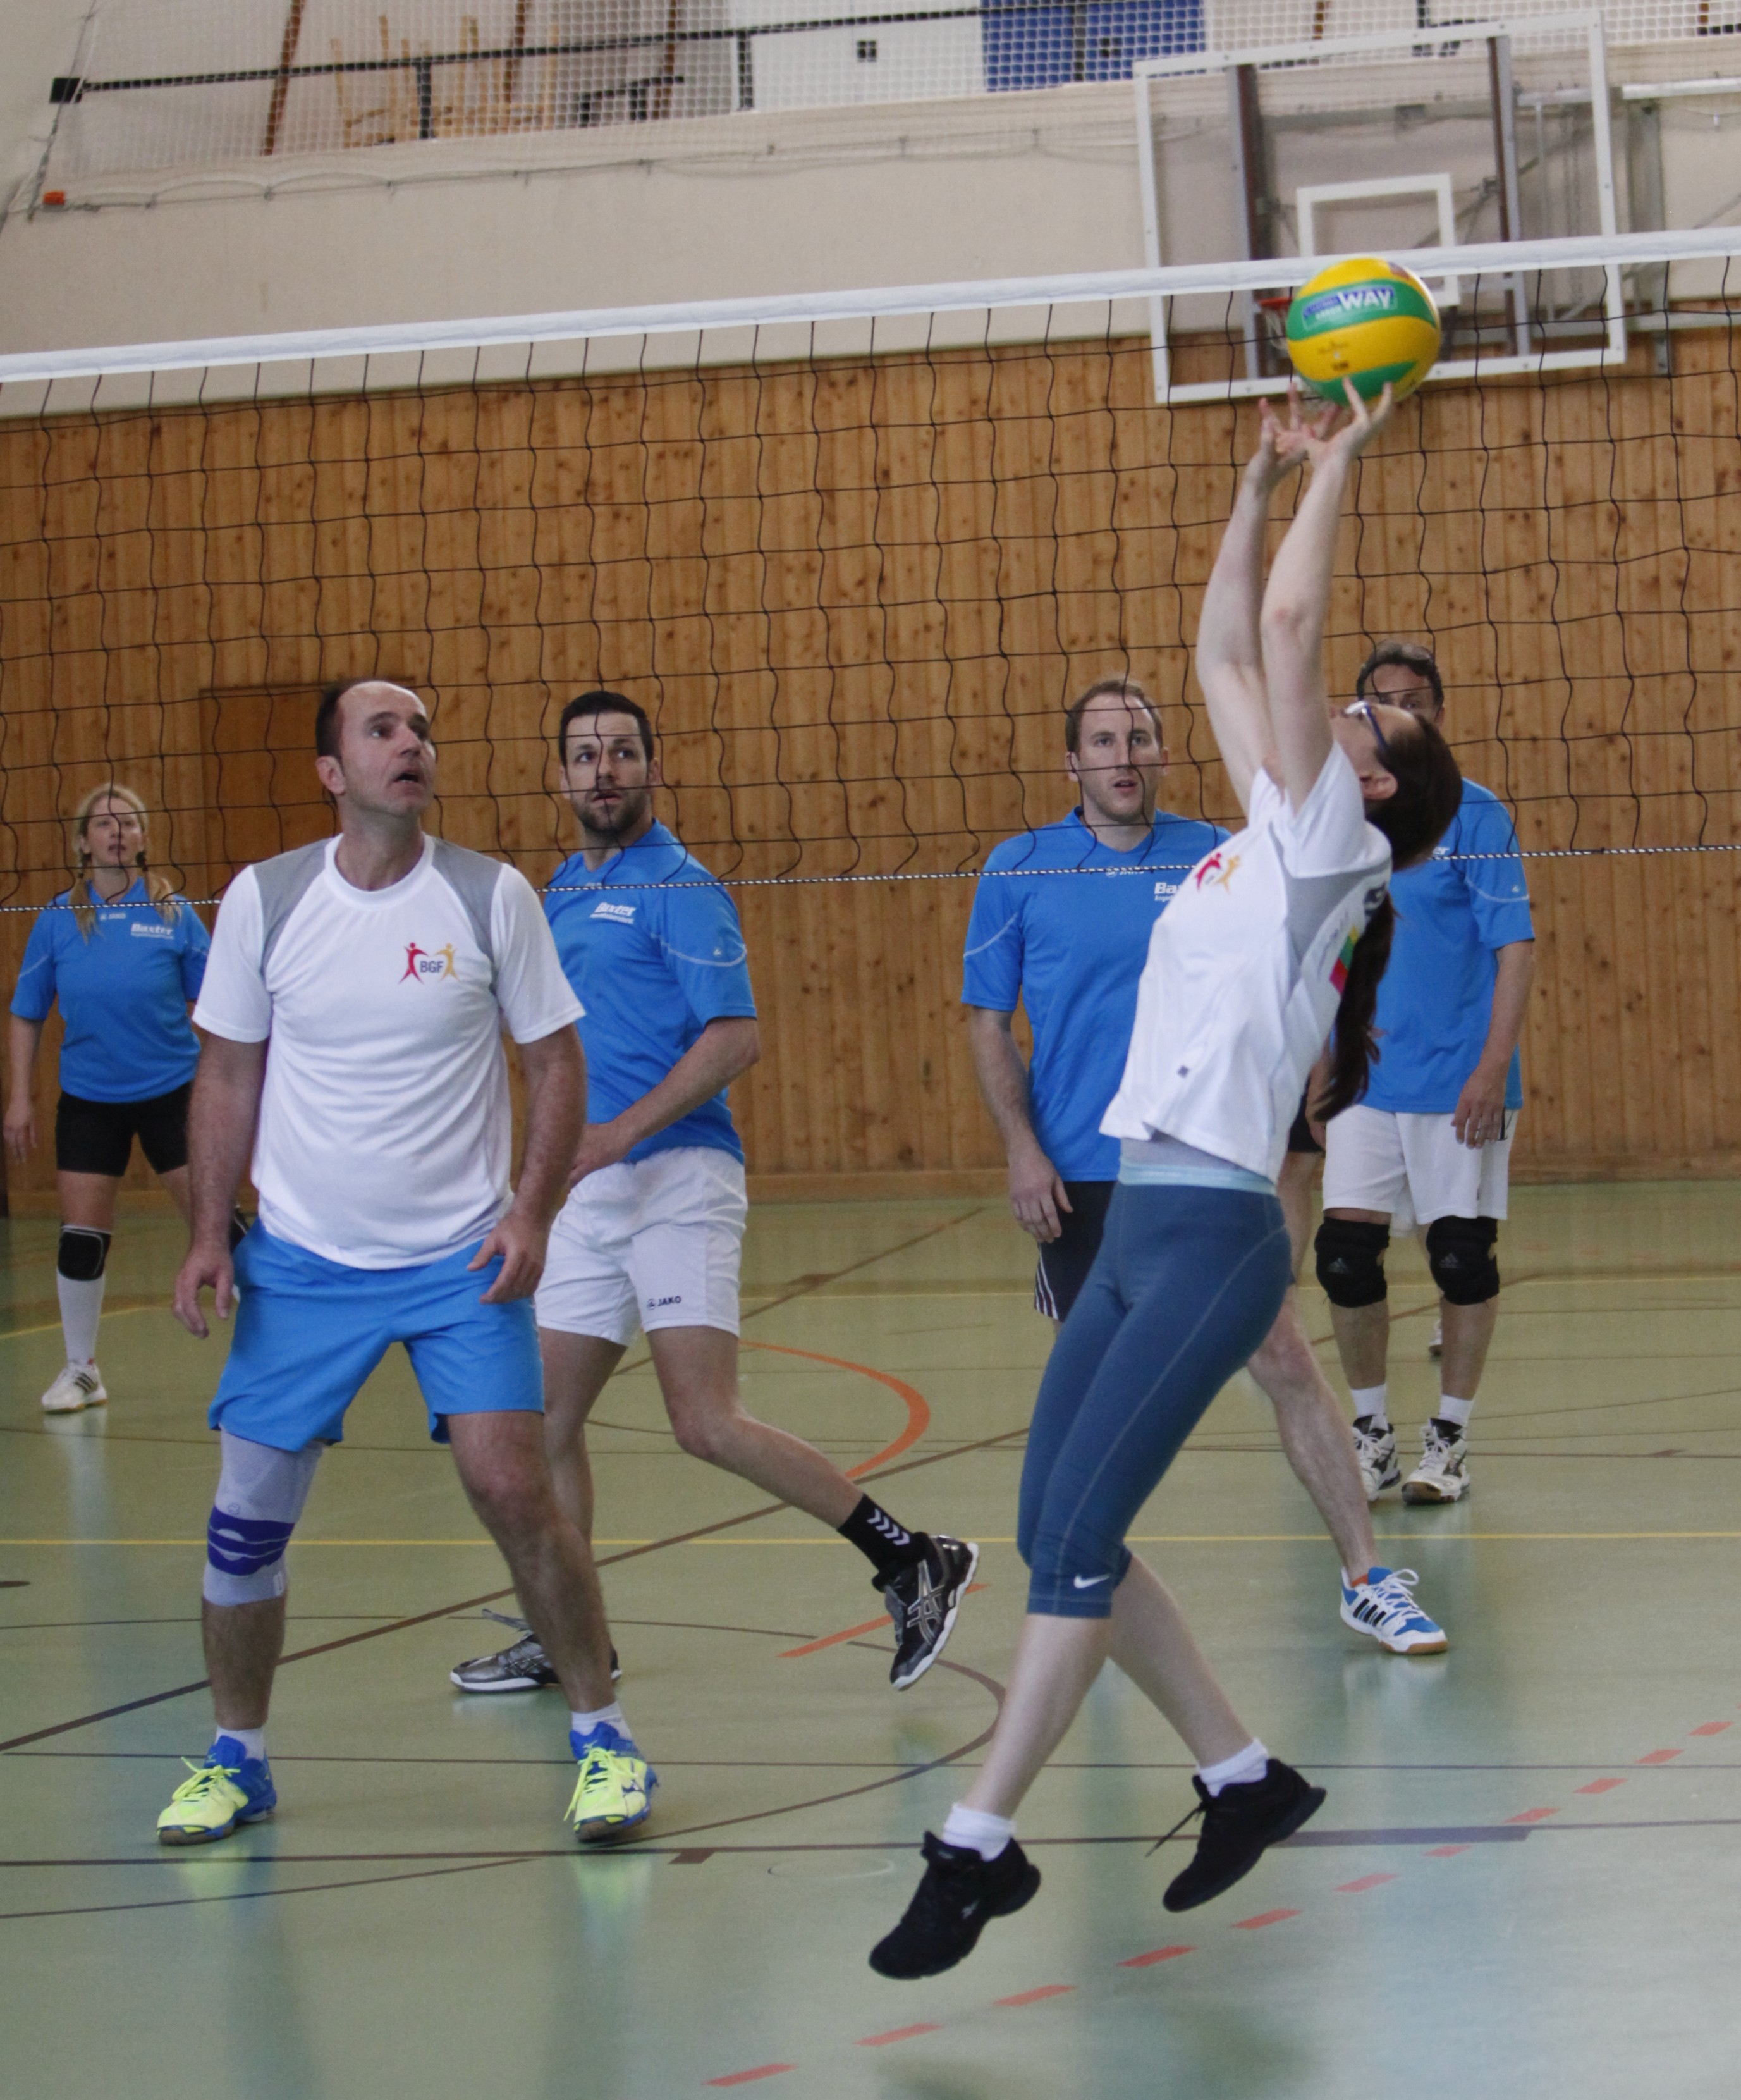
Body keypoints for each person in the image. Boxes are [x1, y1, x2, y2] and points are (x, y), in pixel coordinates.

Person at [869, 384, 1463, 1982]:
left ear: (1380, 785)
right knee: (1049, 1520)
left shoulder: (1335, 846)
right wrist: (1254, 477)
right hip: (1134, 1210)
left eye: (1373, 723)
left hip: (1208, 1233)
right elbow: (1221, 643)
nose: (1346, 713)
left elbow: (1285, 627)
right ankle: (1242, 1775)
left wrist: (1343, 456)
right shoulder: (1273, 823)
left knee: (1076, 1543)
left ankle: (976, 1844)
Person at [158, 679, 650, 1851]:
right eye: (381, 730)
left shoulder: (490, 894)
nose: (410, 744)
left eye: (420, 728)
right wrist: (210, 1232)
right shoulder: (265, 898)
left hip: (457, 1261)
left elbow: (556, 1064)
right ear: (333, 772)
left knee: (514, 1490)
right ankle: (237, 1758)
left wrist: (532, 1213)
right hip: (303, 1265)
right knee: (245, 1520)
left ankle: (605, 1737)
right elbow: (227, 1071)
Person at [448, 690, 977, 1700]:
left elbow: (736, 1037)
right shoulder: (559, 888)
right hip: (587, 1193)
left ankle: (911, 1558)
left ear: (653, 769)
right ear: (560, 776)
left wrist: (619, 1133)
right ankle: (571, 1637)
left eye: (622, 753)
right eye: (584, 755)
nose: (603, 770)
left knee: (705, 1420)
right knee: (539, 1423)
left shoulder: (680, 888)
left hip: (678, 1177)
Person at [963, 679, 1446, 1657]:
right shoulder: (1018, 867)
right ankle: (1088, 1584)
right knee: (1096, 1410)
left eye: (1139, 737)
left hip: (1208, 1173)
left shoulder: (1218, 849)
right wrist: (1020, 1147)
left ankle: (1365, 1576)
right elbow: (985, 1020)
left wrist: (1293, 1130)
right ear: (1072, 761)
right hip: (1084, 1167)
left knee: (1286, 1361)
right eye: (1103, 740)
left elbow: (1288, 970)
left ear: (1161, 752)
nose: (1123, 756)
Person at [1315, 641, 1536, 1504]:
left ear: (1437, 715)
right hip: (1367, 1079)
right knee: (1344, 1258)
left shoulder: (1475, 815)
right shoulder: (1341, 823)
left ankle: (1448, 1440)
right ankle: (1370, 1434)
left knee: (1459, 1258)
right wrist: (1323, 1066)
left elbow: (1514, 949)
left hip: (1457, 1082)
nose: (1400, 714)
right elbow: (1329, 952)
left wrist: (1491, 1069)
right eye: (1382, 703)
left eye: (1414, 701)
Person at [6, 783, 211, 1414]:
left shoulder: (175, 913)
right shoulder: (56, 920)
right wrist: (19, 1097)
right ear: (83, 842)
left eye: (128, 823)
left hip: (174, 1092)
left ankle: (283, 1354)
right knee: (82, 1237)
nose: (117, 832)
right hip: (90, 1098)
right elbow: (26, 1011)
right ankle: (82, 1370)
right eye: (104, 823)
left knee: (218, 1227)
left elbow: (219, 1004)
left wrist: (230, 1087)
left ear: (144, 837)